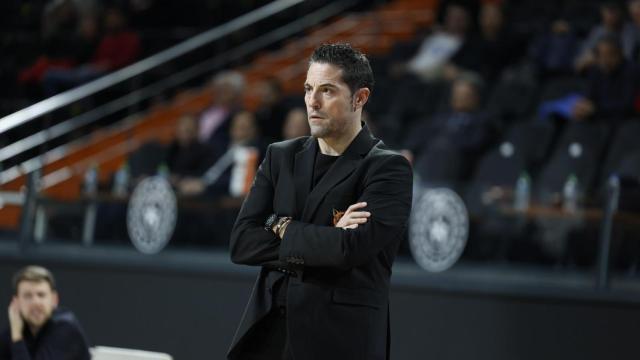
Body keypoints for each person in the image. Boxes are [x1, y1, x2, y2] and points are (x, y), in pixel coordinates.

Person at [227, 43, 413, 360]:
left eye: (327, 90)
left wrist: (279, 224)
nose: (312, 102)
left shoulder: (388, 168)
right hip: (266, 334)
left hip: (340, 340)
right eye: (308, 89)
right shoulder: (279, 156)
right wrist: (324, 236)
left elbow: (348, 249)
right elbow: (242, 242)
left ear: (360, 98)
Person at [0, 266, 90, 360]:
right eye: (27, 296)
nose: (35, 302)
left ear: (54, 300)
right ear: (16, 302)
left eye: (41, 295)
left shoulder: (65, 327)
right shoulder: (17, 327)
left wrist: (17, 337)